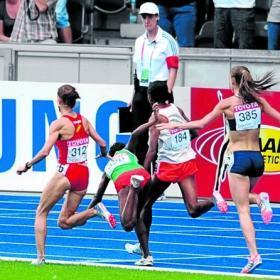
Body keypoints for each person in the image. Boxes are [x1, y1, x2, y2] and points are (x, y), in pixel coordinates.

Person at [156, 66, 280, 273]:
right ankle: (260, 198)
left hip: (239, 158)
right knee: (243, 197)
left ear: (233, 82)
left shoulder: (227, 104)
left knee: (242, 209)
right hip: (258, 159)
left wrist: (174, 127)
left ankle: (254, 255)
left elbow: (201, 123)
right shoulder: (258, 102)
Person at [17, 84, 116, 265]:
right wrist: (103, 153)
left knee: (41, 212)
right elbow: (102, 141)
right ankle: (94, 211)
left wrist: (27, 165)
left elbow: (45, 152)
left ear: (59, 101)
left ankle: (40, 258)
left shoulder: (59, 124)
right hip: (83, 174)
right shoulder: (84, 121)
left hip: (66, 172)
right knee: (64, 222)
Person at [126, 81, 214, 266]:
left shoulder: (156, 118)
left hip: (168, 168)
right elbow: (195, 132)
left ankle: (145, 254)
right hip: (187, 163)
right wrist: (179, 139)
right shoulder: (178, 109)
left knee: (142, 207)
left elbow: (151, 150)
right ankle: (216, 200)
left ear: (150, 98)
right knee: (193, 209)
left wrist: (143, 171)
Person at [88, 104, 159, 266]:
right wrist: (151, 121)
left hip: (128, 182)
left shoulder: (107, 169)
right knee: (140, 215)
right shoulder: (128, 152)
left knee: (127, 224)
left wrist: (86, 212)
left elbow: (98, 197)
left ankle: (134, 189)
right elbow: (135, 134)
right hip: (144, 175)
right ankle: (146, 254)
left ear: (111, 155)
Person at [130, 2, 179, 164]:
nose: (146, 20)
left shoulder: (167, 40)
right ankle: (140, 179)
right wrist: (133, 95)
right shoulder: (139, 41)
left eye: (150, 16)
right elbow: (137, 71)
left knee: (160, 135)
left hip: (159, 91)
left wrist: (167, 93)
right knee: (139, 134)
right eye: (144, 17)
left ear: (157, 17)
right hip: (141, 90)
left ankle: (158, 178)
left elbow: (173, 68)